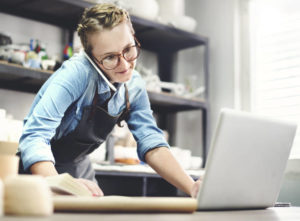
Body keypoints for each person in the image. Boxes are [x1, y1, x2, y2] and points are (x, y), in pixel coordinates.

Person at [18, 3, 201, 198]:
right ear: (91, 58)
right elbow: (35, 136)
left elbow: (152, 142)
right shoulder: (75, 74)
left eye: (129, 49)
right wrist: (56, 183)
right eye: (110, 57)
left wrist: (192, 187)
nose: (124, 65)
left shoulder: (134, 86)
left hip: (79, 170)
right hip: (40, 173)